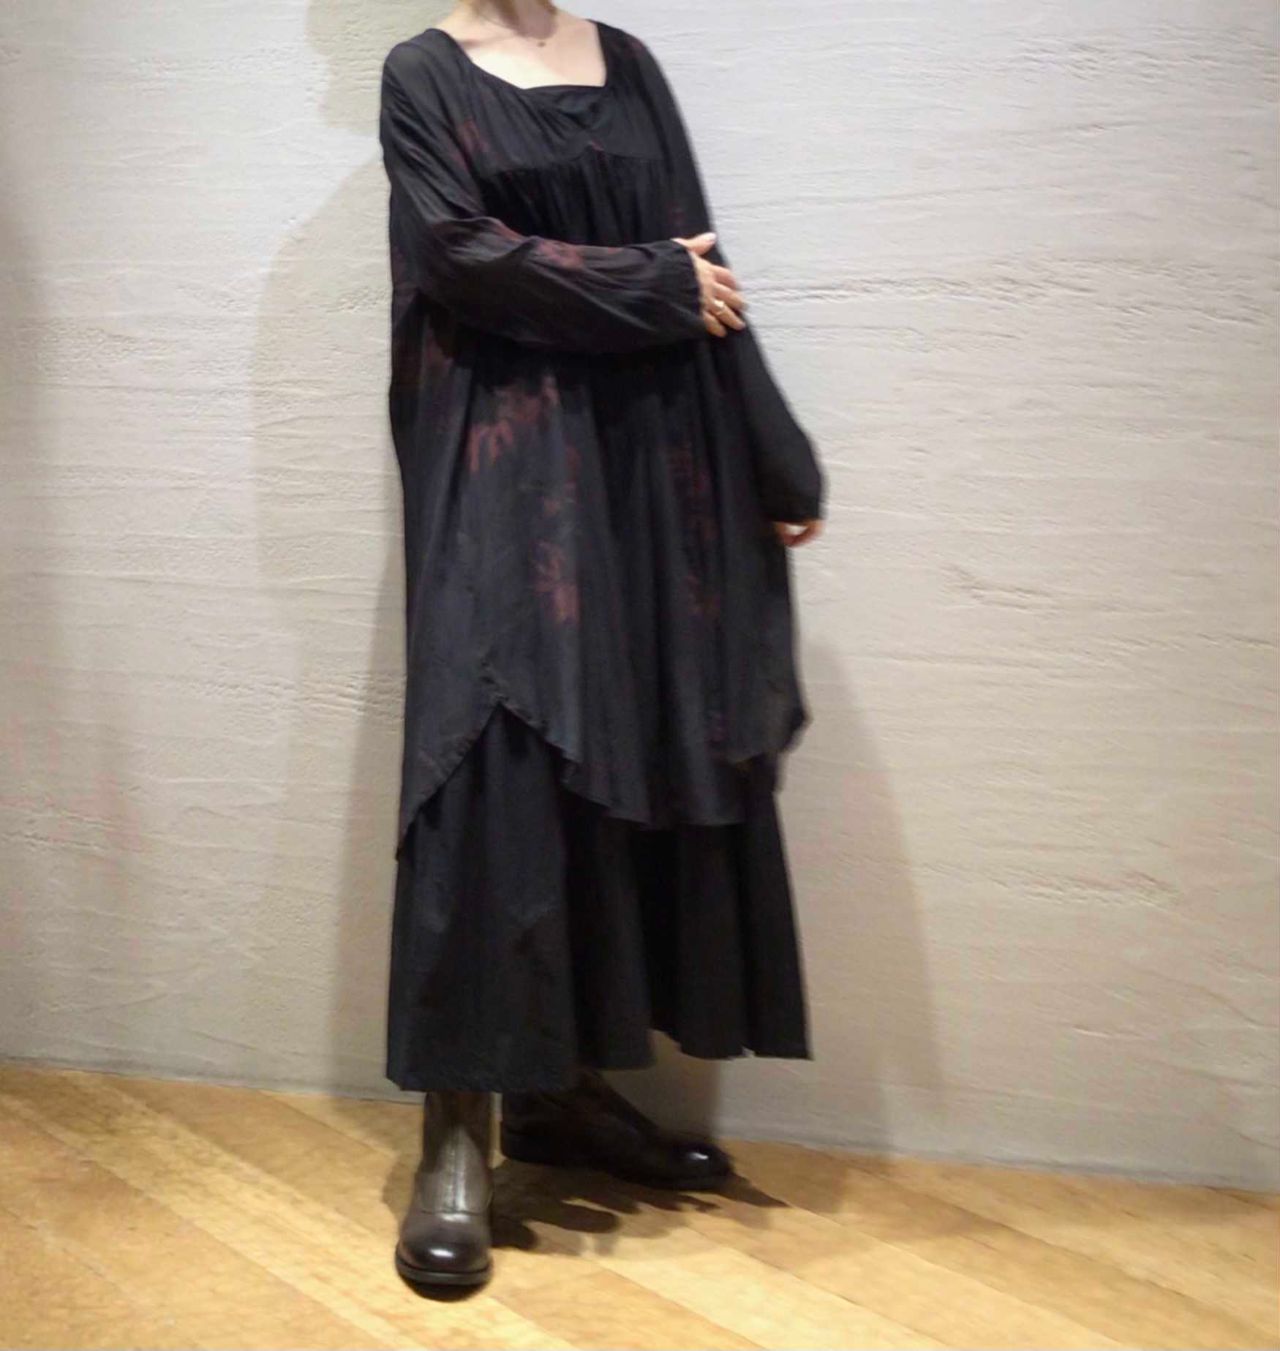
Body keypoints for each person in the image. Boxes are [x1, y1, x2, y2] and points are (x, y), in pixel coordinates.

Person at [378, 0, 825, 1289]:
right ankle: (456, 1133)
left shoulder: (627, 62)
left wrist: (771, 453)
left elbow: (710, 269)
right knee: (491, 758)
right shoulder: (421, 76)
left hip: (649, 460)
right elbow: (462, 257)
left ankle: (560, 1096)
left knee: (620, 750)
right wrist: (648, 282)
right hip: (500, 446)